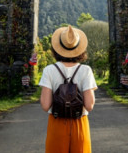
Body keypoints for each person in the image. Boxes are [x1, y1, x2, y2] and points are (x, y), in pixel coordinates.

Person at [39, 25, 98, 153]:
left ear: (57, 48)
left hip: (56, 122)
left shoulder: (49, 70)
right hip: (79, 123)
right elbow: (89, 105)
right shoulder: (86, 70)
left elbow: (45, 105)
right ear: (79, 48)